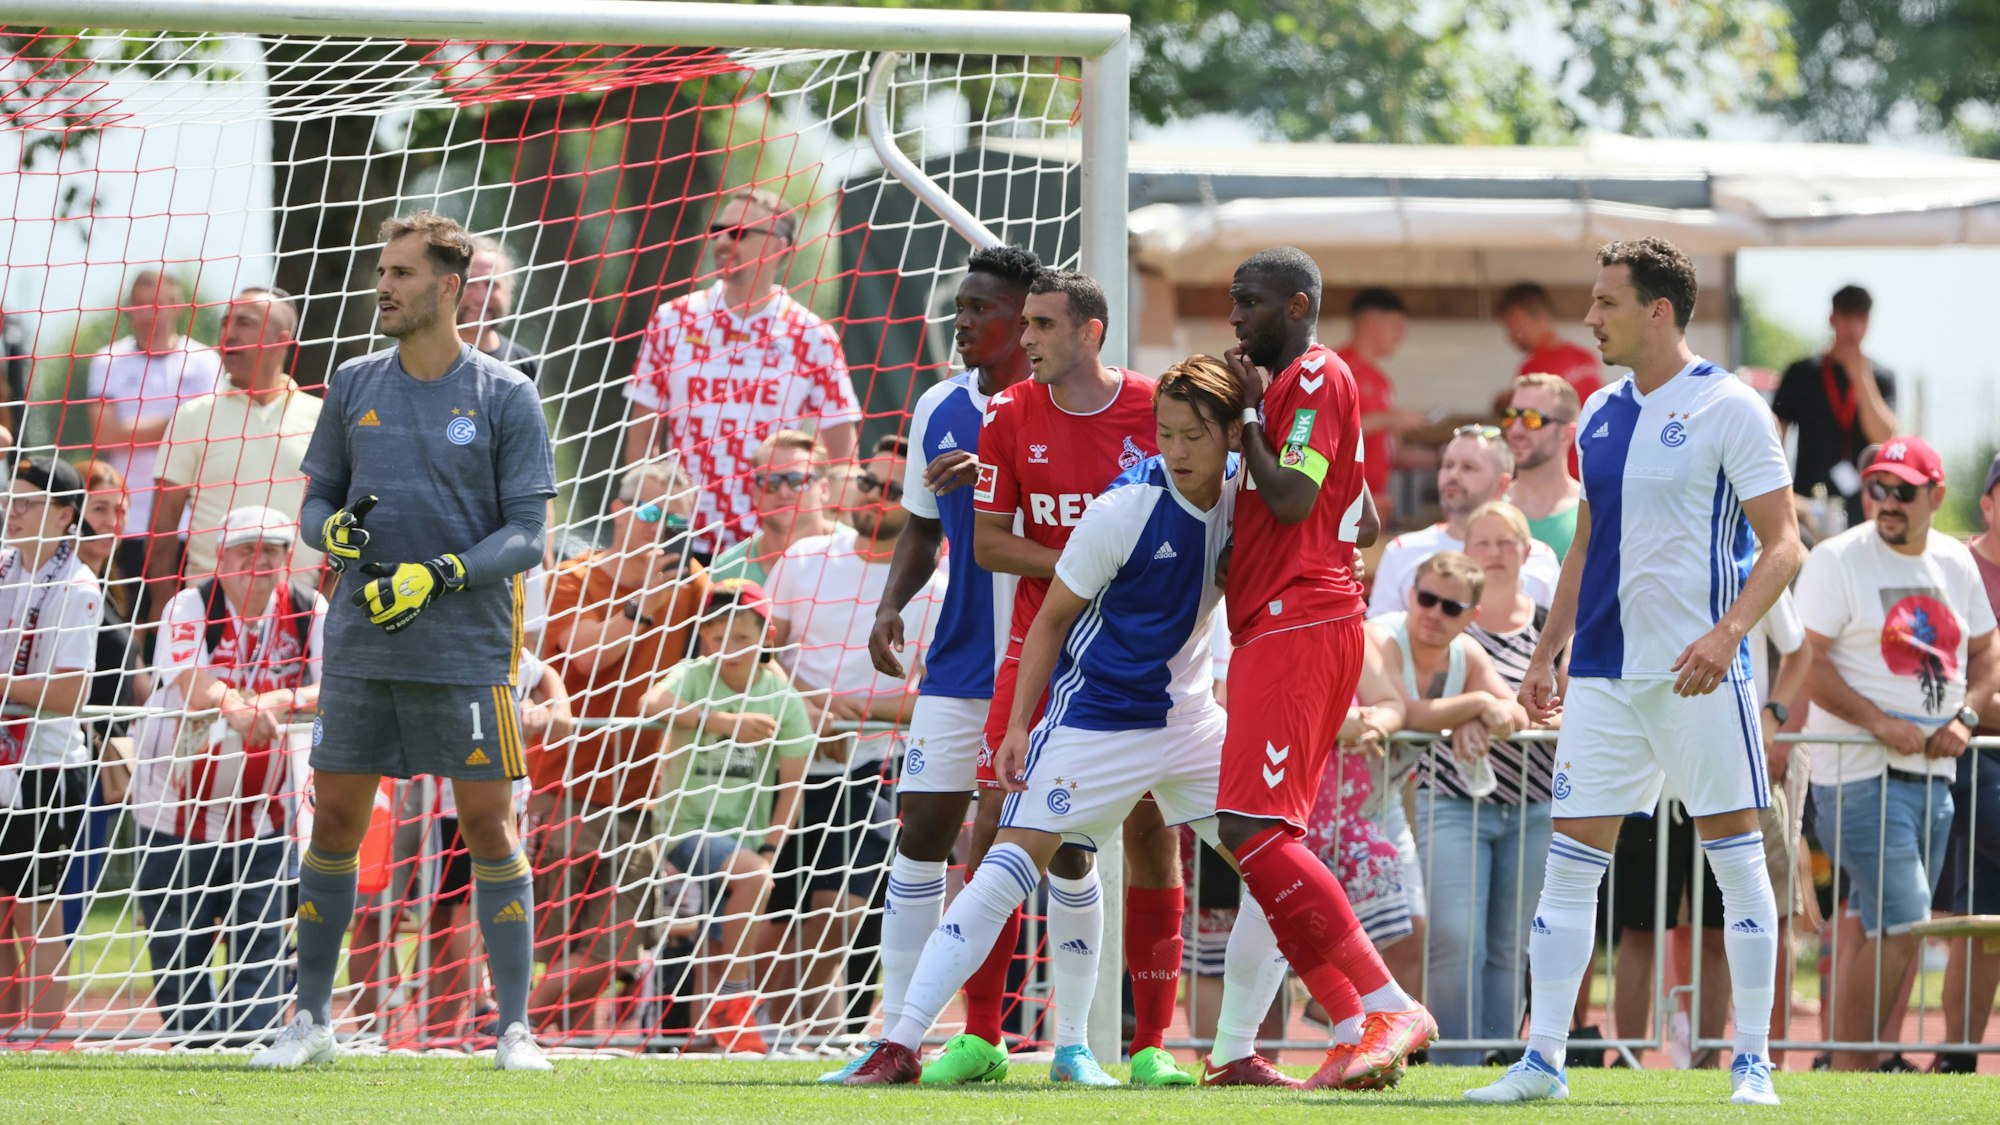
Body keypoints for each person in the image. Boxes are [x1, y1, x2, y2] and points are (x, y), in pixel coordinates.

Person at [845, 356, 1242, 1086]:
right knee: (1003, 845)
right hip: (1083, 702)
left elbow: (1337, 517)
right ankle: (930, 1037)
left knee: (1262, 856)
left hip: (1187, 714)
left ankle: (1201, 1047)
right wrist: (1020, 721)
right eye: (1167, 435)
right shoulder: (1114, 498)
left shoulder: (1239, 480)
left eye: (1191, 435)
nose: (1176, 448)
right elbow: (1002, 560)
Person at [1468, 237, 1802, 1106]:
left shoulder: (1732, 406)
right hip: (1605, 676)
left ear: (1658, 309)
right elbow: (1587, 542)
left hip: (1700, 675)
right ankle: (1543, 1061)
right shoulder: (1600, 410)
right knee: (1569, 869)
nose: (1590, 317)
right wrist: (1548, 651)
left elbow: (1785, 545)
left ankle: (1754, 1062)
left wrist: (1728, 636)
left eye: (1606, 302)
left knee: (1738, 869)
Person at [251, 210, 558, 1071]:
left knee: (489, 829)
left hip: (468, 652)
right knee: (334, 823)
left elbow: (528, 534)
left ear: (449, 287)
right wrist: (330, 533)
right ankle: (312, 1021)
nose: (382, 286)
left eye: (401, 272)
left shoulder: (507, 393)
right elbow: (317, 504)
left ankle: (513, 1030)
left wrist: (439, 574)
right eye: (381, 271)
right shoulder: (353, 383)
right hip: (361, 647)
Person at [1212, 246, 1429, 1092]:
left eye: (1249, 301)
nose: (1235, 316)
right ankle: (1350, 1022)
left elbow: (1295, 498)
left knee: (1254, 830)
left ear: (1297, 305)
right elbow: (1360, 517)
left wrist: (1247, 421)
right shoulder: (1302, 388)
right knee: (1256, 836)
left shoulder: (1308, 378)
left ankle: (1386, 1004)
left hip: (1300, 623)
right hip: (1287, 620)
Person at [958, 268, 1181, 1085]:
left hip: (1144, 651)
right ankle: (982, 1036)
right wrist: (1086, 566)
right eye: (1025, 325)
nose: (1026, 340)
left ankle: (1150, 1044)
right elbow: (989, 542)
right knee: (995, 820)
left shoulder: (1159, 409)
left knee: (1147, 833)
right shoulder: (1009, 413)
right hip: (1042, 646)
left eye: (1043, 325)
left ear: (1091, 332)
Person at [829, 245, 1038, 1083]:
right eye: (961, 307)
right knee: (920, 832)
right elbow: (921, 525)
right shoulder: (939, 405)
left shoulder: (1062, 407)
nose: (965, 322)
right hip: (958, 659)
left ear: (1028, 321)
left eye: (983, 309)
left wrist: (995, 472)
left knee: (1055, 850)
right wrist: (891, 603)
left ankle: (1069, 1043)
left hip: (1048, 659)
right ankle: (895, 1037)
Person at [1793, 436, 1997, 1071]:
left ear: (1936, 496)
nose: (1886, 501)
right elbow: (1806, 662)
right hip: (1858, 775)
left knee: (1885, 924)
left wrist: (1965, 716)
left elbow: (1987, 651)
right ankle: (1851, 1069)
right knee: (1904, 923)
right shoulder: (1836, 559)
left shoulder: (1955, 561)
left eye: (1903, 491)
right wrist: (1878, 722)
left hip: (1935, 777)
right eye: (1877, 487)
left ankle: (1860, 1064)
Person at [765, 443, 943, 1040]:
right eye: (867, 481)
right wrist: (807, 710)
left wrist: (852, 716)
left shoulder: (938, 588)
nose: (870, 496)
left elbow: (940, 699)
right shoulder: (804, 559)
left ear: (913, 504)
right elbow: (756, 653)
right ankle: (774, 1029)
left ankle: (807, 1033)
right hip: (783, 762)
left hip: (875, 762)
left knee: (843, 905)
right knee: (774, 911)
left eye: (888, 490)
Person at [130, 506, 323, 1041]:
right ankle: (195, 1048)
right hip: (173, 809)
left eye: (271, 551)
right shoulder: (190, 605)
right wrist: (236, 707)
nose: (256, 563)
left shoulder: (308, 608)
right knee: (179, 946)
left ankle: (251, 1048)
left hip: (266, 813)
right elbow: (190, 682)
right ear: (221, 556)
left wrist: (272, 702)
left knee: (262, 942)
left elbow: (336, 685)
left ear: (287, 558)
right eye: (244, 550)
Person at [530, 459, 709, 1033]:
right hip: (564, 785)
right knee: (557, 943)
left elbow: (728, 647)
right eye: (650, 512)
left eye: (675, 521)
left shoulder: (694, 584)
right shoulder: (574, 578)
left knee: (617, 946)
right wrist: (644, 603)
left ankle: (510, 1025)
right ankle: (544, 1038)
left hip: (641, 794)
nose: (661, 529)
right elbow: (584, 656)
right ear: (618, 509)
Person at [623, 187, 861, 556]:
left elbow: (844, 459)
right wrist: (646, 520)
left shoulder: (812, 334)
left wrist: (823, 539)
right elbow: (641, 442)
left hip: (773, 542)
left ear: (778, 246)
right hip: (680, 536)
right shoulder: (672, 319)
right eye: (718, 230)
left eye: (738, 233)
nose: (722, 241)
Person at [1400, 523, 1553, 1067]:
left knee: (1511, 945)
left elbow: (1518, 711)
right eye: (1427, 600)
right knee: (1454, 938)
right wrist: (1473, 708)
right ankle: (1452, 1062)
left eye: (1505, 542)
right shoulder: (1424, 637)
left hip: (1532, 802)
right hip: (1450, 801)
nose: (1435, 612)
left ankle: (1500, 1059)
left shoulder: (1544, 624)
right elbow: (1405, 710)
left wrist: (1482, 712)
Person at [641, 579, 812, 1051]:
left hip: (747, 837)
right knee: (753, 879)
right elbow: (649, 704)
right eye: (718, 637)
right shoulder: (694, 676)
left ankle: (709, 1034)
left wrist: (771, 848)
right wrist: (723, 723)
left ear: (766, 636)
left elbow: (792, 787)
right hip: (683, 828)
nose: (730, 649)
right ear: (703, 637)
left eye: (741, 637)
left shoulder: (783, 699)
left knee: (718, 933)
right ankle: (737, 1000)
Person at [147, 287, 323, 619]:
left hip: (298, 618)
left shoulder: (322, 418)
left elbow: (337, 522)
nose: (228, 333)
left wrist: (326, 608)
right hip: (209, 615)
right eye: (225, 322)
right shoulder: (192, 417)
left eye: (244, 323)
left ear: (281, 340)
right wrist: (162, 608)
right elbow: (162, 529)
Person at [0, 457, 102, 1032]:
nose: (12, 512)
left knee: (36, 912)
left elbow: (68, 694)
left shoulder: (77, 585)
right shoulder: (3, 566)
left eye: (27, 502)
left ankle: (43, 1037)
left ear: (65, 516)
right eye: (8, 501)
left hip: (46, 768)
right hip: (2, 762)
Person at [74, 269, 223, 607]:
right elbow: (105, 435)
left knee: (186, 615)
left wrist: (135, 431)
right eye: (139, 304)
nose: (147, 314)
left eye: (156, 304)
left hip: (190, 519)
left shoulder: (204, 361)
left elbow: (210, 432)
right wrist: (180, 422)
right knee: (129, 619)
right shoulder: (108, 360)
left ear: (177, 305)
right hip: (125, 520)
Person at [1935, 451, 2000, 1074]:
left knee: (1984, 927)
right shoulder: (1954, 565)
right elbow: (1950, 683)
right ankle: (1957, 1057)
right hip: (1974, 766)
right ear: (1986, 502)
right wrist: (1982, 707)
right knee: (1981, 927)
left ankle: (1957, 1060)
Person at [1368, 426, 1563, 617]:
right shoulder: (1401, 551)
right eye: (1448, 465)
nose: (1453, 475)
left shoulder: (1539, 558)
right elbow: (1379, 630)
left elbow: (1558, 633)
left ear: (1501, 484)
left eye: (1469, 467)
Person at [1773, 285, 1898, 532]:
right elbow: (1775, 435)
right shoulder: (1802, 373)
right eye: (1847, 317)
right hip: (1807, 503)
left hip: (1864, 504)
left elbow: (1884, 436)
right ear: (1833, 320)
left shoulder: (1882, 377)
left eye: (1861, 318)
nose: (1853, 327)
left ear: (1869, 322)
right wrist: (1781, 492)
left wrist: (1860, 376)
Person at [705, 430, 845, 586]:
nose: (783, 492)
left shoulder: (857, 553)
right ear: (754, 493)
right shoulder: (726, 570)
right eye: (770, 481)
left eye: (797, 481)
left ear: (824, 490)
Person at [1337, 288, 1426, 519]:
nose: (1401, 335)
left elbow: (1396, 452)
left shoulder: (1382, 380)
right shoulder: (1335, 368)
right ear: (1370, 322)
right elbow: (1327, 432)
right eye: (1396, 326)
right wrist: (1389, 419)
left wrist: (1442, 455)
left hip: (1376, 500)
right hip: (1341, 500)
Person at [1502, 374, 1583, 560]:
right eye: (1510, 417)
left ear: (1567, 434)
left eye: (1532, 419)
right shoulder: (1490, 507)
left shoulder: (1591, 513)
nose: (1515, 430)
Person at [1492, 282, 1603, 409]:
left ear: (1519, 317)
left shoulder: (1534, 368)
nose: (1510, 338)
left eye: (1510, 327)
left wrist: (1503, 402)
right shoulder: (1586, 357)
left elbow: (1525, 416)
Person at [458, 235, 537, 380]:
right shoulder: (420, 355)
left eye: (492, 285)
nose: (480, 298)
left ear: (509, 290)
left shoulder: (525, 364)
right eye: (470, 283)